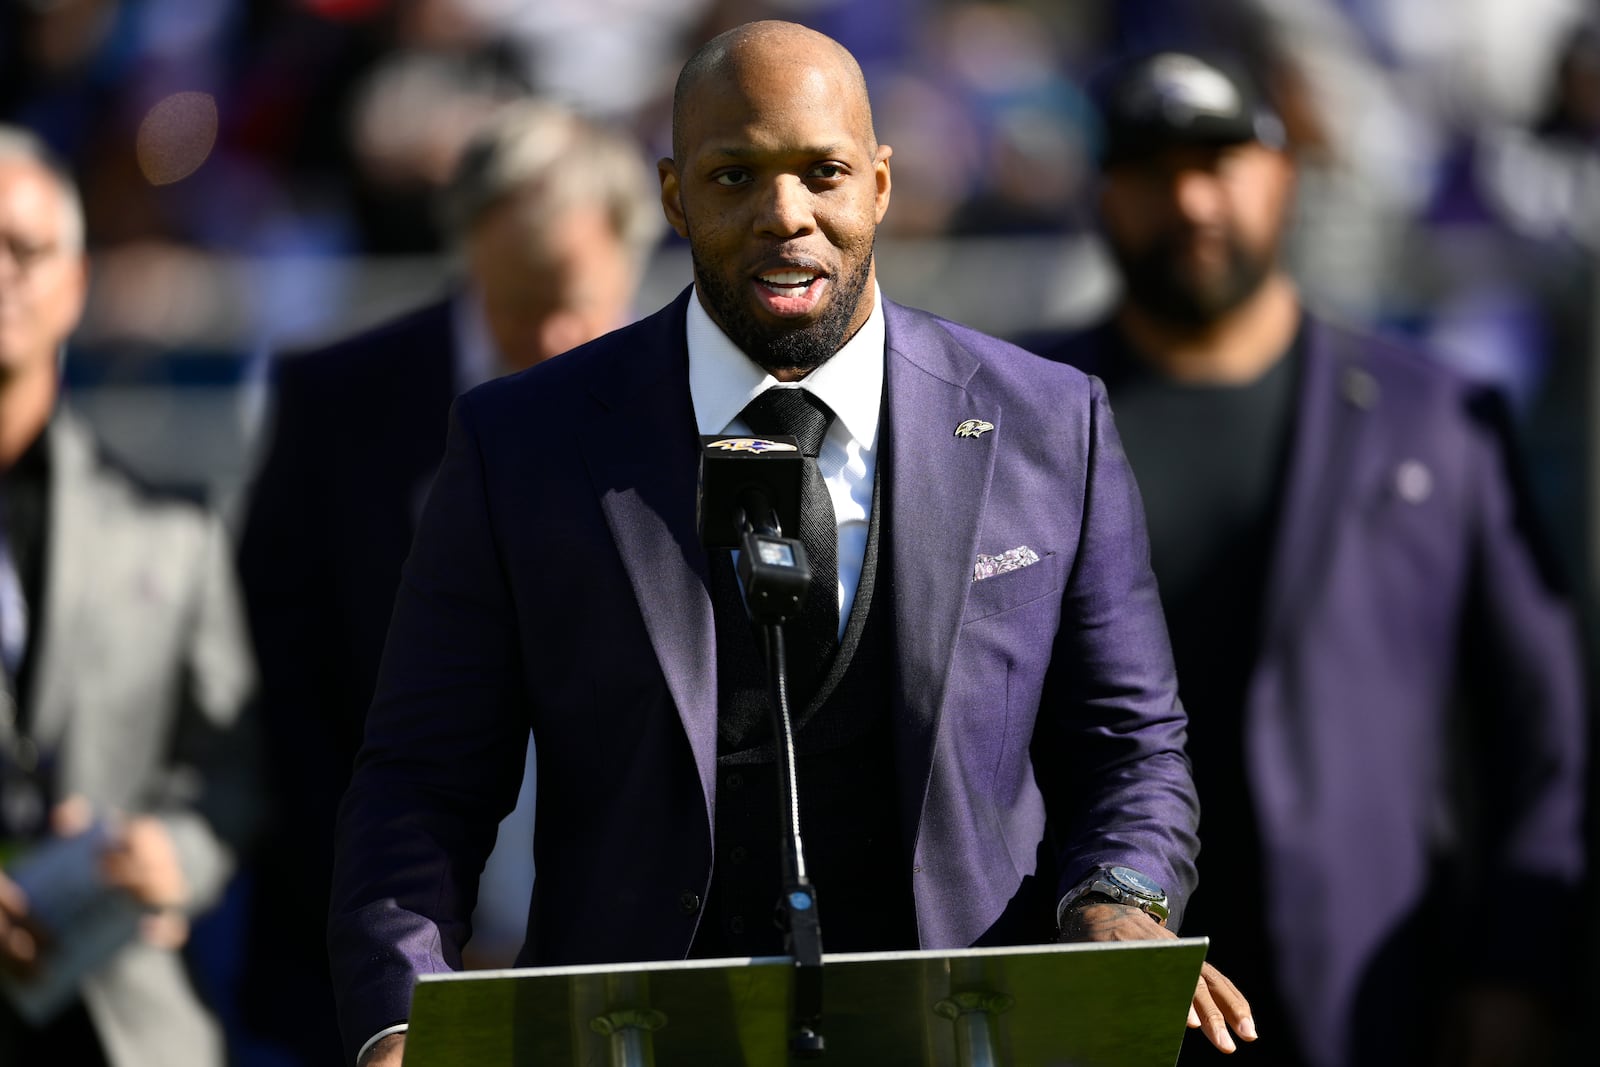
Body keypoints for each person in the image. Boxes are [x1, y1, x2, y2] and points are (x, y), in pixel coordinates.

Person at [328, 22, 1254, 1067]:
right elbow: (421, 780)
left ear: (881, 185)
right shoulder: (523, 443)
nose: (786, 215)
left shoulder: (1049, 423)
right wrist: (401, 1013)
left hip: (971, 1036)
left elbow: (1131, 744)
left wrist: (1120, 899)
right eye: (736, 175)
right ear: (674, 197)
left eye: (823, 172)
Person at [1024, 50, 1588, 1067]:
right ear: (1103, 193)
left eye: (1221, 161)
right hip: (1098, 983)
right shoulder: (1018, 414)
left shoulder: (1435, 418)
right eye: (1152, 168)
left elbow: (1542, 722)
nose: (1190, 199)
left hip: (1373, 991)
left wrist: (1518, 964)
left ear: (1285, 176)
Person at [236, 100, 661, 1065]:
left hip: (628, 973)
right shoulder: (336, 407)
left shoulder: (700, 411)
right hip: (358, 982)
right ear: (468, 248)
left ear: (633, 261)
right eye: (521, 300)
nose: (551, 335)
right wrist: (408, 943)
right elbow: (287, 705)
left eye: (577, 300)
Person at [0, 125, 259, 1066]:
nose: (3, 276)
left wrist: (171, 858)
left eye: (25, 250)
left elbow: (229, 775)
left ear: (75, 284)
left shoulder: (171, 524)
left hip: (129, 1021)